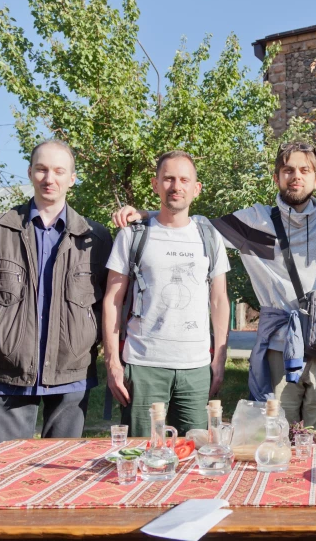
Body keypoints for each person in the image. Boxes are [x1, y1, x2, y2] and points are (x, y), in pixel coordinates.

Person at [112, 142, 316, 433]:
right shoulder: (254, 222)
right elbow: (195, 226)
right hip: (278, 346)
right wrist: (148, 214)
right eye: (288, 170)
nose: (296, 176)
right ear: (277, 178)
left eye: (305, 170)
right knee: (275, 428)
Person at [103, 151, 230, 436]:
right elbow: (113, 301)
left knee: (195, 458)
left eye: (184, 179)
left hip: (196, 368)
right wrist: (112, 361)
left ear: (196, 188)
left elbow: (220, 300)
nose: (176, 186)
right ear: (155, 184)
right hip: (144, 364)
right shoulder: (132, 235)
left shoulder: (209, 237)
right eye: (169, 178)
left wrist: (219, 357)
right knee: (141, 454)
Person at [0, 139, 112, 444]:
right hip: (8, 373)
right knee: (6, 474)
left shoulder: (95, 237)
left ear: (72, 178)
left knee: (61, 469)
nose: (50, 179)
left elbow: (108, 302)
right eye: (42, 169)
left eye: (59, 171)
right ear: (30, 172)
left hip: (72, 373)